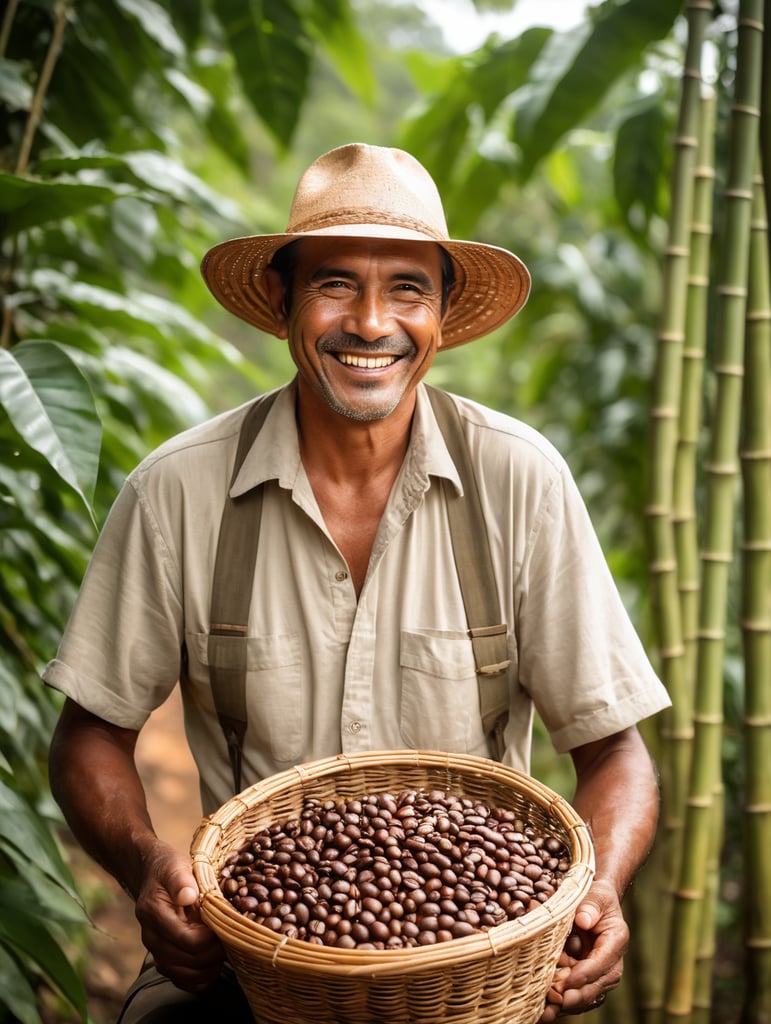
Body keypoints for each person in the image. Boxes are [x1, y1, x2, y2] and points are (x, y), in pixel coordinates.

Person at [45, 143, 670, 1023]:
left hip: (478, 966)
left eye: (407, 288)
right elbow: (89, 736)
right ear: (282, 300)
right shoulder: (179, 491)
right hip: (251, 956)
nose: (370, 323)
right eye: (335, 283)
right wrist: (147, 863)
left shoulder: (518, 481)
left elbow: (616, 752)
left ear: (444, 314)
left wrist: (598, 886)